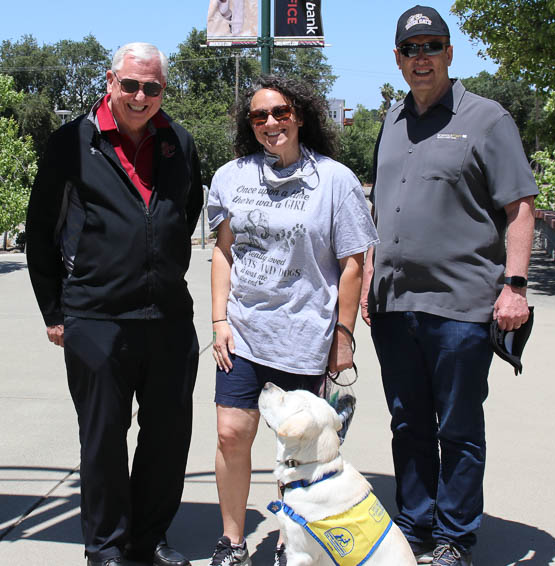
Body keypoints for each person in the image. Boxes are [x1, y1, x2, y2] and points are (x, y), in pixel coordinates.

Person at [360, 6, 539, 566]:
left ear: (449, 53)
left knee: (458, 426)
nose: (422, 58)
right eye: (411, 49)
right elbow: (378, 208)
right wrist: (368, 274)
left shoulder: (487, 119)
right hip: (393, 305)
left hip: (462, 306)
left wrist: (514, 286)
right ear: (397, 58)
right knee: (407, 421)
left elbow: (520, 206)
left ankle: (454, 537)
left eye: (432, 46)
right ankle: (414, 526)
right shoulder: (390, 121)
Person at [26, 42, 203, 566]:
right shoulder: (71, 143)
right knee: (102, 440)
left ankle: (148, 539)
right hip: (97, 317)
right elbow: (40, 230)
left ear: (162, 90)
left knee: (168, 439)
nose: (140, 96)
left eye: (152, 87)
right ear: (111, 81)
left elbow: (185, 211)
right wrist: (54, 310)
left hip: (168, 318)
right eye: (131, 84)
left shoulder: (178, 141)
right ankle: (105, 546)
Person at [207, 75, 378, 566]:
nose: (271, 123)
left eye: (280, 112)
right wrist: (219, 319)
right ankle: (233, 542)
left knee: (297, 449)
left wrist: (343, 337)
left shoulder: (336, 180)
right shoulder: (230, 177)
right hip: (242, 333)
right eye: (259, 116)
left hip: (305, 335)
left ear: (300, 115)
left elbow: (352, 263)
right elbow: (223, 253)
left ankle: (290, 543)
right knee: (231, 434)